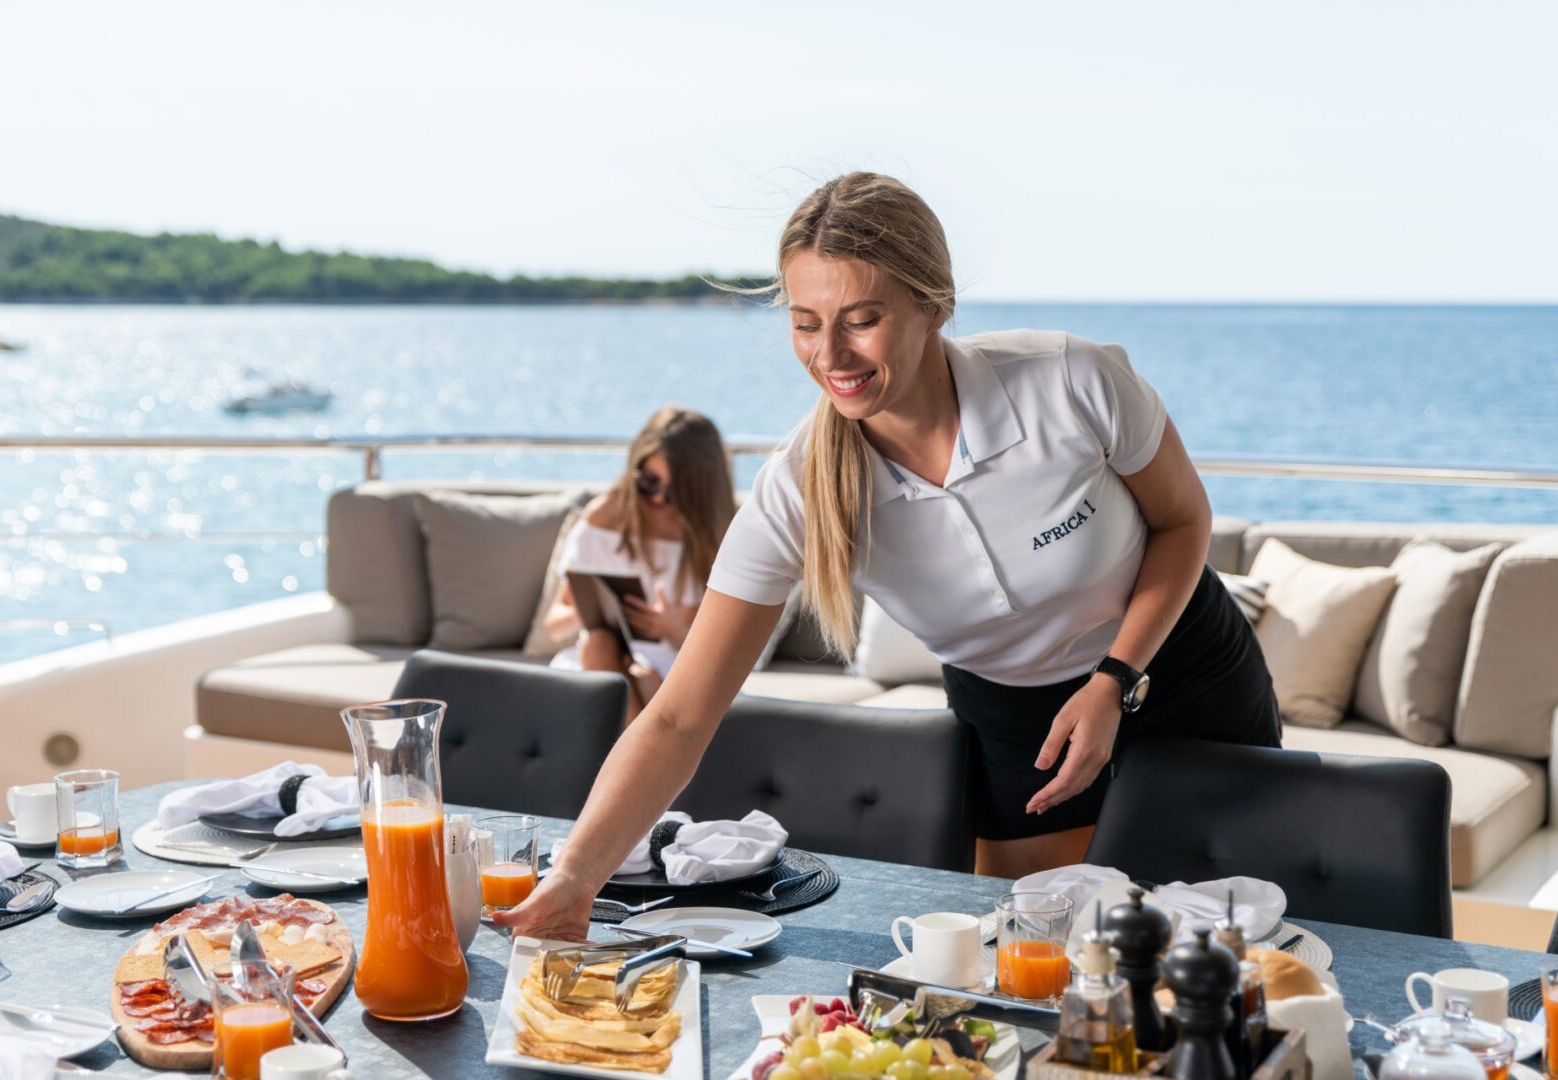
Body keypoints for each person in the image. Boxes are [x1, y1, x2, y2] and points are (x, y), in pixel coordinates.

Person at [498, 172, 1281, 941]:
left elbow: (1183, 523)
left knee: (1245, 943)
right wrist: (574, 877)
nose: (830, 353)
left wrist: (1114, 679)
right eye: (806, 323)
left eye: (861, 319)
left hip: (1180, 671)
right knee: (1039, 953)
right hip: (1015, 723)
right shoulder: (798, 488)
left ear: (933, 303)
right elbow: (677, 715)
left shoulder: (1071, 380)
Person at [541, 406, 735, 722]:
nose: (657, 498)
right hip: (602, 658)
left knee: (645, 680)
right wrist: (590, 608)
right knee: (599, 643)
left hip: (673, 663)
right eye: (648, 482)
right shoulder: (604, 518)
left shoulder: (715, 536)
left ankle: (623, 760)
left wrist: (670, 628)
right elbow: (553, 626)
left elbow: (722, 650)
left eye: (674, 491)